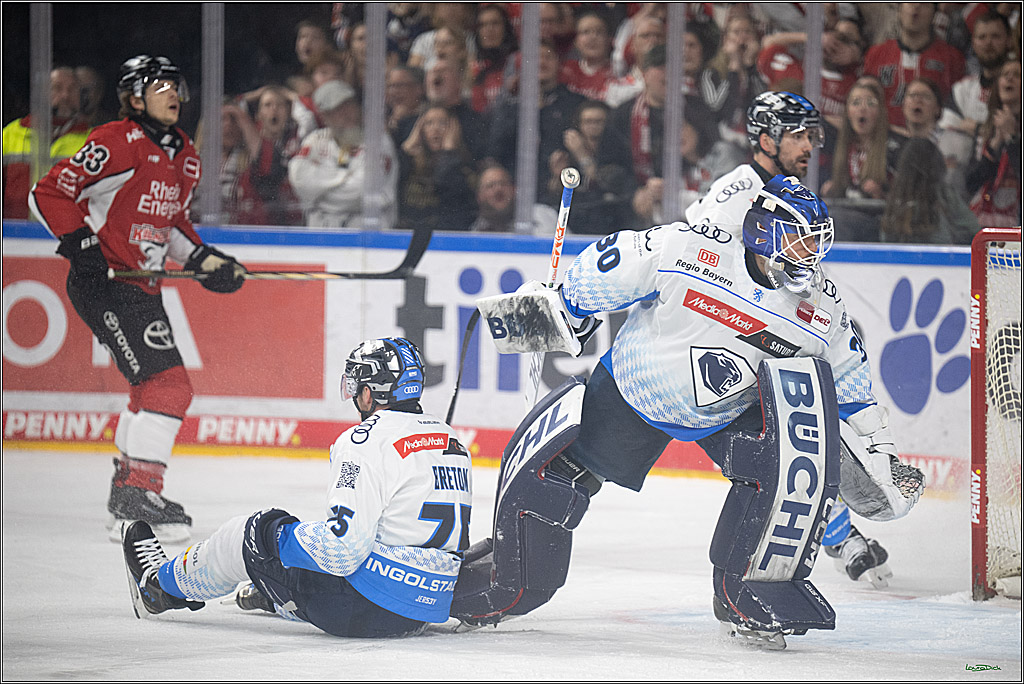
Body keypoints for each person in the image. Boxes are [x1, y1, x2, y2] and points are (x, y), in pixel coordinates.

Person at [453, 175, 925, 648]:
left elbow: (853, 386)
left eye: (816, 246)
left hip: (728, 413)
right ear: (764, 233)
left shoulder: (822, 310)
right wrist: (568, 306)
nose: (810, 258)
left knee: (787, 456)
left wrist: (878, 453)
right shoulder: (689, 247)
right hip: (634, 392)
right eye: (799, 242)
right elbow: (612, 263)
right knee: (549, 499)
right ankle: (500, 580)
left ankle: (747, 591)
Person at [27, 55, 247, 543]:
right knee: (170, 387)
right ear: (135, 96)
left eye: (176, 84)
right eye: (160, 85)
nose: (173, 93)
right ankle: (138, 497)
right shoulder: (117, 140)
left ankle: (125, 496)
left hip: (141, 286)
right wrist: (81, 245)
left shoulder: (185, 153)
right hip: (106, 284)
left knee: (149, 389)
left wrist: (207, 261)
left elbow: (173, 229)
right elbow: (48, 193)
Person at [120, 337, 473, 638]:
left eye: (356, 387)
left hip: (363, 609)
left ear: (369, 393)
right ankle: (273, 594)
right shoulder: (451, 438)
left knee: (252, 532)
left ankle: (157, 588)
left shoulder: (365, 440)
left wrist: (275, 535)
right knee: (302, 547)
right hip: (422, 613)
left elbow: (342, 551)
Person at [684, 91, 900, 582]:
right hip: (716, 356)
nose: (808, 145)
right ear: (765, 138)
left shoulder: (787, 191)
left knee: (793, 448)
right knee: (781, 455)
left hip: (761, 344)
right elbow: (689, 256)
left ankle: (838, 537)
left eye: (811, 135)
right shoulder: (741, 190)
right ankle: (776, 568)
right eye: (798, 135)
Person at [288, 80, 398, 229]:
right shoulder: (315, 140)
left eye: (349, 105)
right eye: (337, 109)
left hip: (367, 238)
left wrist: (318, 196)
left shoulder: (379, 140)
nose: (346, 113)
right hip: (320, 238)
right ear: (324, 116)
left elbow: (362, 191)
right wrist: (344, 177)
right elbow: (299, 178)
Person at [485, 39, 586, 200]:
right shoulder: (509, 107)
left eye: (548, 57)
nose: (542, 62)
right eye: (536, 57)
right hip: (517, 194)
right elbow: (496, 151)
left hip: (563, 191)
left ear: (558, 64)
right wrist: (533, 110)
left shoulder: (575, 104)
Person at [3, 66, 91, 219]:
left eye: (72, 89)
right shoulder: (11, 133)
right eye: (57, 88)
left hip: (69, 236)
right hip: (14, 234)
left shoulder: (94, 139)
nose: (65, 95)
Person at [863, 2, 967, 129]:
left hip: (931, 141)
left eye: (924, 3)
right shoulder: (876, 54)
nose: (916, 6)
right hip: (882, 138)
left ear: (935, 14)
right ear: (899, 10)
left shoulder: (952, 59)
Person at [546, 100, 634, 235]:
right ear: (579, 124)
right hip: (573, 222)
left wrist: (583, 156)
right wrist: (557, 176)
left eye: (598, 121)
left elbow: (606, 182)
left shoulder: (618, 149)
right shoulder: (566, 153)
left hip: (611, 221)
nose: (593, 126)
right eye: (588, 121)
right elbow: (553, 195)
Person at [880, 138, 980, 245]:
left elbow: (974, 232)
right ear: (938, 166)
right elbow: (974, 230)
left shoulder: (944, 194)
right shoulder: (944, 194)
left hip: (946, 256)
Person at [822, 77, 905, 204]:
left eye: (870, 103)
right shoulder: (841, 145)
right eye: (855, 103)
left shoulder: (895, 148)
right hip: (846, 213)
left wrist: (882, 194)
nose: (862, 108)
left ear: (880, 112)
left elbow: (905, 198)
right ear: (848, 112)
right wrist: (833, 189)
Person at [396, 105, 477, 232]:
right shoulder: (409, 163)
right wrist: (407, 149)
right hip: (408, 234)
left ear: (454, 129)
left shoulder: (464, 166)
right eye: (429, 123)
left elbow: (450, 196)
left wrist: (448, 153)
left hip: (445, 236)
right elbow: (392, 183)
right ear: (419, 129)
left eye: (442, 123)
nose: (435, 129)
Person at [965, 59, 1022, 228]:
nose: (1010, 79)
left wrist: (1012, 138)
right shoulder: (986, 133)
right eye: (1005, 75)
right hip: (982, 226)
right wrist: (995, 144)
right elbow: (971, 183)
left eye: (1017, 75)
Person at [467, 162, 558, 235]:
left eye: (503, 183)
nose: (498, 189)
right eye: (490, 186)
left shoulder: (544, 216)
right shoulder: (473, 235)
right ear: (479, 196)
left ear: (515, 189)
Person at [470, 3, 517, 115]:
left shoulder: (518, 62)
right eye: (483, 25)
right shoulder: (474, 69)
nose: (489, 29)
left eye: (495, 23)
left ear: (506, 28)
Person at [560, 11, 616, 102]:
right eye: (586, 32)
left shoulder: (618, 71)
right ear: (575, 41)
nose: (593, 37)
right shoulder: (565, 69)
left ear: (609, 39)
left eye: (599, 32)